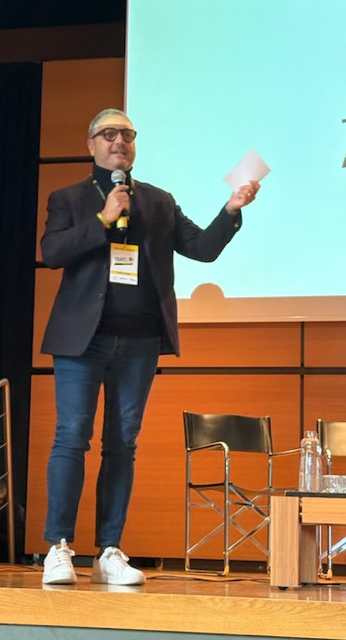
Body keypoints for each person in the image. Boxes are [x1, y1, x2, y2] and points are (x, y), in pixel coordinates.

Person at [39, 108, 260, 586]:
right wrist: (103, 218)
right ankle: (58, 547)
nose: (119, 141)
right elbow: (51, 252)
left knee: (122, 444)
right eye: (109, 134)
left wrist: (231, 210)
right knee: (72, 437)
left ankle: (109, 551)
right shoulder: (69, 198)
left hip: (140, 342)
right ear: (91, 144)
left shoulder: (159, 201)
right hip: (81, 341)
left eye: (127, 134)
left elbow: (202, 248)